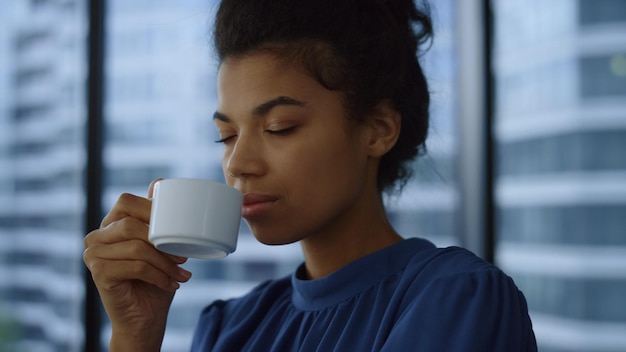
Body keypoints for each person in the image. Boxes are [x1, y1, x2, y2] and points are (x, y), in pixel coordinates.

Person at [83, 0, 537, 350]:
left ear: (377, 130)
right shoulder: (228, 329)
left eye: (279, 127)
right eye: (226, 135)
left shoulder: (455, 299)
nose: (238, 163)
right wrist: (134, 336)